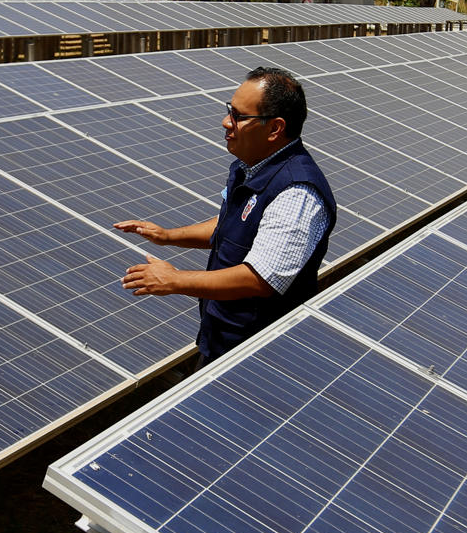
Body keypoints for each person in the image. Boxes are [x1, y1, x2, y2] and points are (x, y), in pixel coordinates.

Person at [115, 67, 336, 364]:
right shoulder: (251, 167)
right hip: (222, 337)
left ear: (275, 129)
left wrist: (175, 280)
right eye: (229, 110)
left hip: (257, 354)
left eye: (239, 117)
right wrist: (168, 236)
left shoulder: (297, 193)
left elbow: (261, 278)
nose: (225, 122)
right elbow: (232, 225)